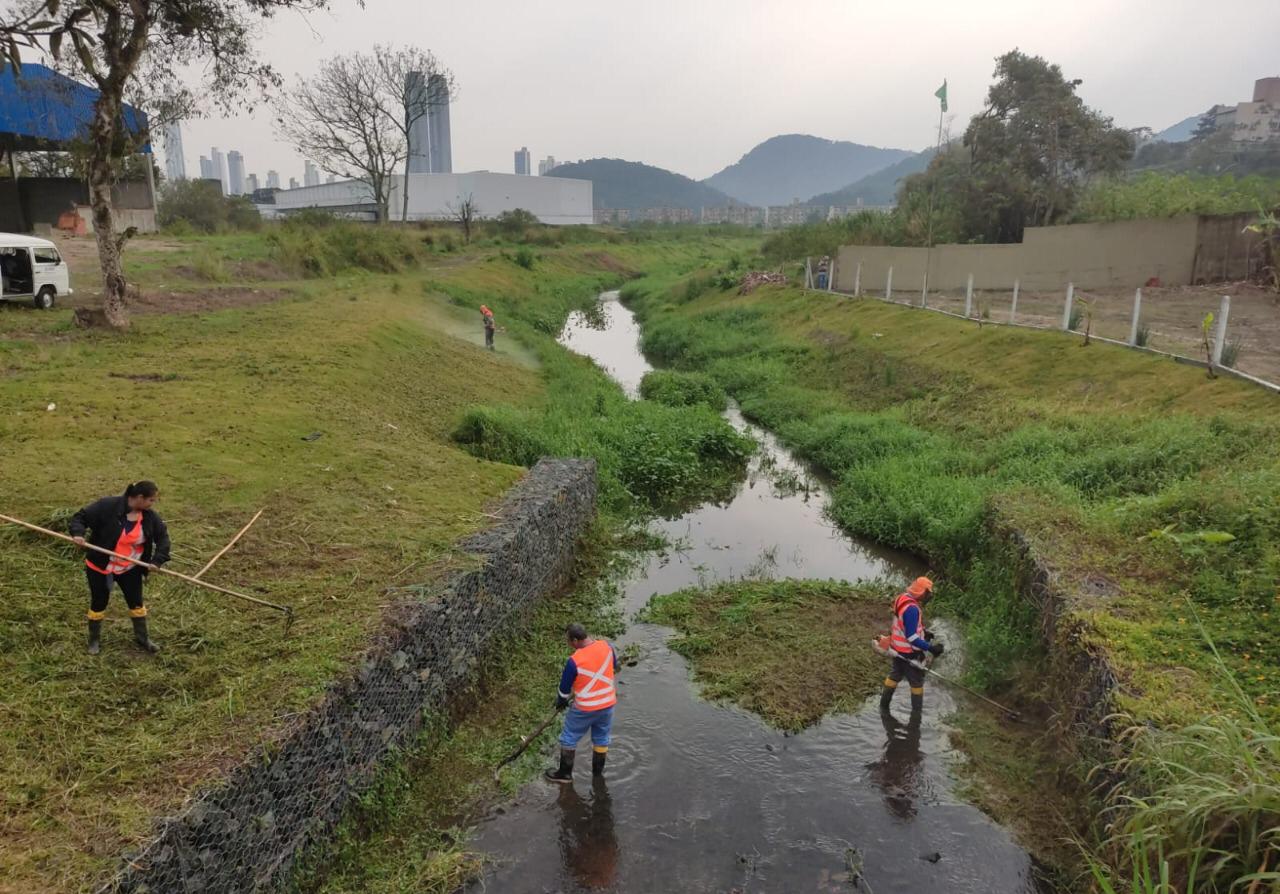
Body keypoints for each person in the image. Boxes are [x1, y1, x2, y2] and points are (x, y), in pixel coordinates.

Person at [70, 480, 170, 655]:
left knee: (136, 602)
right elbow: (80, 518)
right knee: (99, 602)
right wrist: (78, 534)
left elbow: (163, 539)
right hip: (100, 566)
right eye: (151, 500)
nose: (152, 504)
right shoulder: (107, 506)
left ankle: (142, 638)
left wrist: (157, 560)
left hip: (129, 568)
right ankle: (94, 640)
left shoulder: (149, 517)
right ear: (139, 497)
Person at [546, 623, 618, 782]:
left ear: (576, 640)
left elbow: (564, 690)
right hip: (607, 705)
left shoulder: (574, 661)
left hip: (585, 708)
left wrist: (561, 702)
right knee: (601, 738)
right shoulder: (607, 647)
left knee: (569, 737)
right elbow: (614, 665)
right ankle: (597, 775)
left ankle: (564, 774)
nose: (569, 645)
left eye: (569, 641)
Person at [879, 576, 943, 714]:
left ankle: (883, 707)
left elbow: (904, 624)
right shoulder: (912, 608)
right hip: (909, 653)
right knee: (916, 683)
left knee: (894, 675)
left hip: (897, 648)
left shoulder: (902, 598)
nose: (929, 597)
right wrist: (930, 648)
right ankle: (916, 718)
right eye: (928, 594)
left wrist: (924, 632)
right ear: (922, 592)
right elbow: (912, 637)